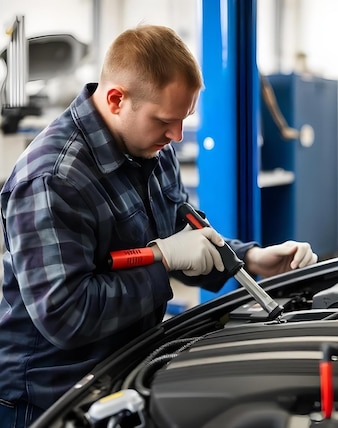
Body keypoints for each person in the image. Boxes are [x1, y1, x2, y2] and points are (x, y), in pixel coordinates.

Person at [0, 25, 318, 427]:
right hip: (49, 398)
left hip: (122, 366)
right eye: (166, 120)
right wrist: (161, 262)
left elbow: (185, 232)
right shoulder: (53, 179)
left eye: (184, 119)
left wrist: (251, 258)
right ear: (116, 99)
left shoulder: (151, 146)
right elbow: (66, 314)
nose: (177, 135)